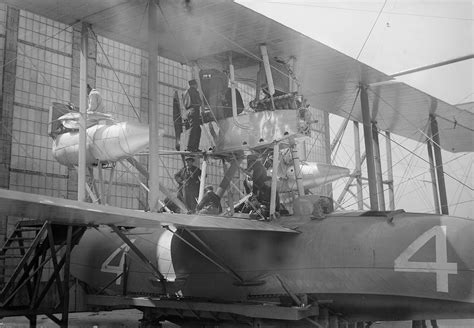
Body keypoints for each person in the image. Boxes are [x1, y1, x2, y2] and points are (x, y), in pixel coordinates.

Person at [183, 79, 202, 152]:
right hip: (194, 110)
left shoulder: (185, 93)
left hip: (188, 111)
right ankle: (191, 147)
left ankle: (194, 147)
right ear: (195, 85)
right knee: (194, 129)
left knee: (197, 129)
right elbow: (199, 102)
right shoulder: (194, 91)